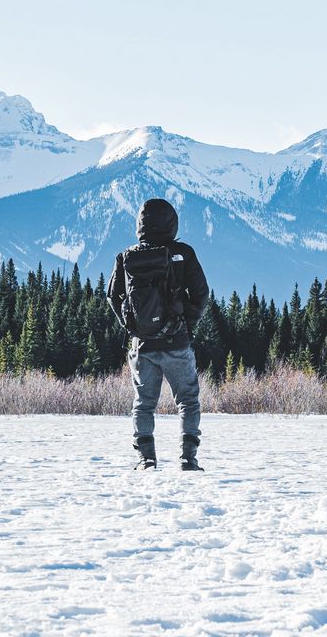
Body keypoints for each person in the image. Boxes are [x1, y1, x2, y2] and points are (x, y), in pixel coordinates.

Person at [107, 198, 210, 471]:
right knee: (187, 401)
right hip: (177, 342)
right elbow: (201, 294)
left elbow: (112, 296)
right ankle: (188, 458)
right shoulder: (183, 253)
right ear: (172, 222)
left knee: (143, 403)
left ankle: (146, 459)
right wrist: (187, 324)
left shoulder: (126, 256)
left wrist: (131, 327)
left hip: (143, 345)